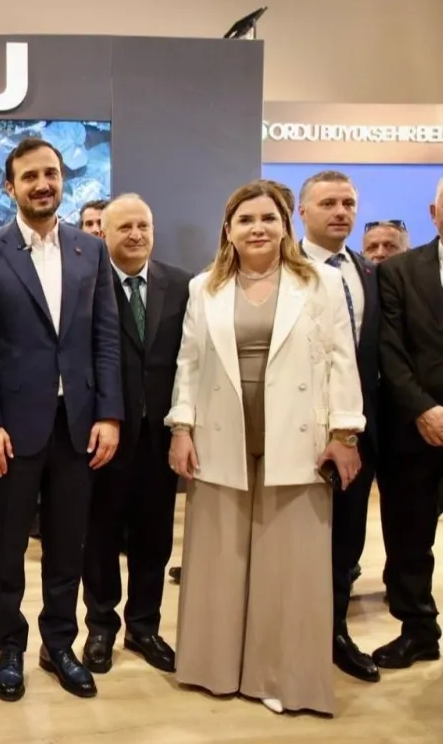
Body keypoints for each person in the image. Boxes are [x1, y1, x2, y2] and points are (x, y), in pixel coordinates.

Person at [167, 179, 363, 716]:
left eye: (268, 218)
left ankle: (281, 677)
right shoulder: (204, 287)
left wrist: (344, 434)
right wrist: (181, 428)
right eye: (246, 219)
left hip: (299, 438)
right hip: (220, 436)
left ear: (285, 226)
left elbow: (341, 359)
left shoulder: (320, 283)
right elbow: (189, 363)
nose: (258, 228)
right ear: (228, 230)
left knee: (290, 567)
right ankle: (214, 669)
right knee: (220, 559)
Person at [0, 137, 123, 702]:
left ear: (62, 178)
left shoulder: (90, 251)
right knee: (7, 547)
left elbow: (105, 338)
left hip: (78, 425)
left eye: (50, 173)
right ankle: (9, 647)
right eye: (29, 176)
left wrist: (110, 414)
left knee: (67, 544)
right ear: (10, 187)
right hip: (11, 428)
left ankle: (59, 644)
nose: (42, 184)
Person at [80, 194, 190, 676]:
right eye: (124, 227)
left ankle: (144, 626)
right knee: (100, 537)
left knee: (155, 538)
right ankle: (101, 626)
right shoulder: (86, 285)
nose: (136, 234)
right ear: (103, 233)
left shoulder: (182, 285)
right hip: (105, 434)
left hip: (160, 437)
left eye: (143, 225)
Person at [296, 170, 381, 683]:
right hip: (296, 431)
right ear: (302, 211)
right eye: (328, 203)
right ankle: (291, 638)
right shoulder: (280, 267)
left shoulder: (370, 272)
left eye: (348, 203)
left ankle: (334, 634)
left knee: (347, 539)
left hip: (358, 432)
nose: (340, 212)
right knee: (296, 541)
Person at [372, 177, 443, 669]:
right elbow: (389, 348)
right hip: (415, 428)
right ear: (434, 213)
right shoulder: (398, 271)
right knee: (409, 538)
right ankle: (418, 630)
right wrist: (423, 408)